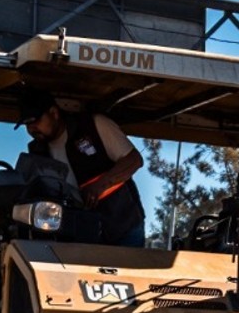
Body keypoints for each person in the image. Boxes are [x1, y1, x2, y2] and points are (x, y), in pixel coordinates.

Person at [16, 85, 146, 248]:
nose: (31, 129)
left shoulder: (94, 125)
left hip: (123, 229)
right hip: (77, 237)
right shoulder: (37, 153)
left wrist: (100, 185)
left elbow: (134, 160)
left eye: (35, 121)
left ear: (54, 113)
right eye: (27, 125)